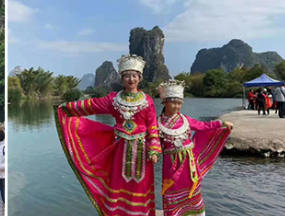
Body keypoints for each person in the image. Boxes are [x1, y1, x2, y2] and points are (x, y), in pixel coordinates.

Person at [56, 55, 160, 216]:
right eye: (127, 75)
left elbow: (153, 127)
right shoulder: (114, 99)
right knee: (118, 182)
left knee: (140, 185)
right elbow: (91, 105)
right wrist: (67, 107)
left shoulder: (147, 101)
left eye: (134, 75)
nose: (131, 79)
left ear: (140, 78)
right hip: (119, 150)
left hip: (142, 151)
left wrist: (154, 149)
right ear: (122, 78)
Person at [157, 80, 233, 216]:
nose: (176, 106)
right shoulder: (157, 123)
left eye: (179, 103)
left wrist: (221, 123)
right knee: (172, 192)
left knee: (193, 191)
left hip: (189, 164)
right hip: (171, 165)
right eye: (173, 102)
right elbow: (152, 142)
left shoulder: (185, 119)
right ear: (164, 102)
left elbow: (203, 126)